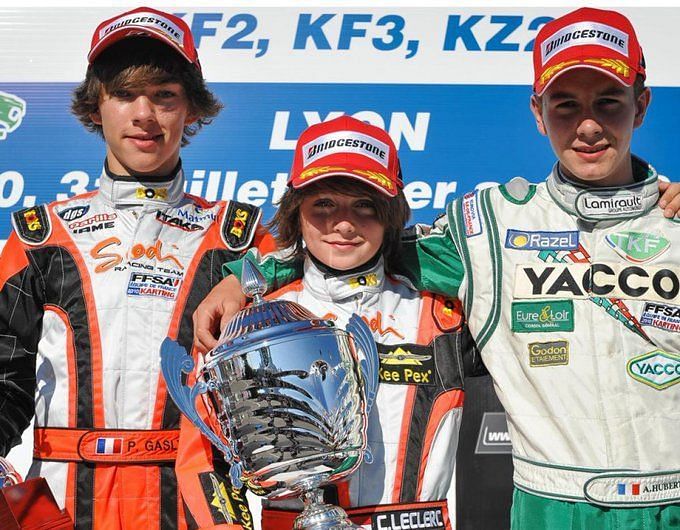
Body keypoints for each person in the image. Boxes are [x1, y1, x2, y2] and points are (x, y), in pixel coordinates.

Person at [195, 8, 680, 530]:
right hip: (553, 505)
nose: (587, 125)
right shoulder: (490, 225)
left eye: (609, 102)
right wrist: (247, 275)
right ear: (538, 113)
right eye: (566, 105)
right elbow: (355, 246)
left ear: (643, 104)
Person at [0, 7, 275, 529]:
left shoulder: (239, 239)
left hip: (195, 499)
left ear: (191, 109)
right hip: (63, 501)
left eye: (164, 95)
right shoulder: (41, 237)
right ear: (95, 106)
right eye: (125, 94)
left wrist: (252, 275)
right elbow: (4, 378)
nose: (144, 114)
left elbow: (341, 267)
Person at [241, 115, 481, 529]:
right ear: (295, 212)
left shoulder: (444, 318)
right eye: (324, 205)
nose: (345, 223)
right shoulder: (254, 321)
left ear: (391, 214)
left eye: (365, 205)